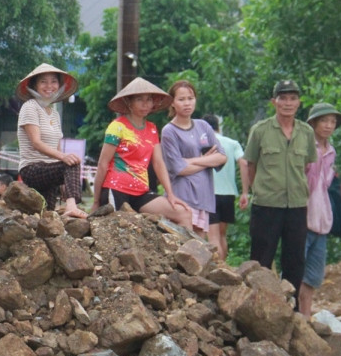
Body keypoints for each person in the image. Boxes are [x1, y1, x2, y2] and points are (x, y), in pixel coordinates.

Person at [242, 80, 316, 299]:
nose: (288, 103)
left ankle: (291, 309)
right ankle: (258, 305)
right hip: (266, 205)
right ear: (274, 102)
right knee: (261, 258)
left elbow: (307, 165)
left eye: (293, 98)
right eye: (283, 98)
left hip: (297, 205)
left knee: (295, 260)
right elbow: (251, 164)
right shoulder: (261, 130)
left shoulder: (306, 132)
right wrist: (259, 190)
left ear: (299, 103)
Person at [92, 78, 191, 226]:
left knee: (183, 213)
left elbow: (158, 163)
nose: (145, 104)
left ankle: (189, 250)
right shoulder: (117, 127)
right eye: (139, 99)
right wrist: (96, 200)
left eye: (149, 99)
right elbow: (103, 164)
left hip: (141, 191)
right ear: (129, 103)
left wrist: (170, 194)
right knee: (121, 231)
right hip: (116, 188)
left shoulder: (152, 128)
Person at [15, 63, 87, 219]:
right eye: (43, 82)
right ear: (34, 85)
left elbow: (57, 149)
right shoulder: (30, 107)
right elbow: (36, 142)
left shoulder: (54, 114)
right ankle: (72, 206)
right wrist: (63, 158)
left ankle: (67, 206)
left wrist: (64, 183)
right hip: (32, 168)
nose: (49, 86)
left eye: (54, 81)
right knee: (71, 162)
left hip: (49, 171)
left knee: (45, 216)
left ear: (59, 85)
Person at [160, 80, 226, 241]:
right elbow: (179, 169)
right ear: (172, 103)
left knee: (200, 246)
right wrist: (206, 160)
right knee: (182, 244)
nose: (187, 103)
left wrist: (191, 160)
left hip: (204, 196)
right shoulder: (169, 131)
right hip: (183, 196)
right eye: (181, 99)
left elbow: (222, 157)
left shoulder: (203, 126)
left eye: (190, 98)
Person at [298, 102, 341, 317]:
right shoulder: (305, 147)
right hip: (302, 215)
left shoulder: (331, 151)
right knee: (295, 271)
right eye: (324, 120)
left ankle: (306, 317)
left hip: (322, 218)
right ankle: (292, 315)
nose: (328, 125)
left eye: (332, 122)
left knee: (313, 276)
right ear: (313, 123)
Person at [202, 113, 243, 262]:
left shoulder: (204, 143)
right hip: (229, 194)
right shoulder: (232, 143)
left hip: (210, 193)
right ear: (218, 126)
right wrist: (245, 191)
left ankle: (218, 268)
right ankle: (224, 265)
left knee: (212, 237)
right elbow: (243, 162)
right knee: (222, 235)